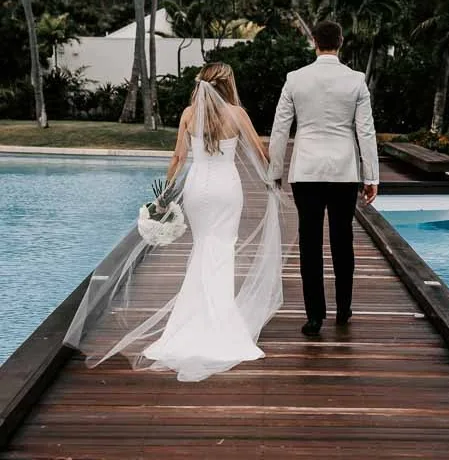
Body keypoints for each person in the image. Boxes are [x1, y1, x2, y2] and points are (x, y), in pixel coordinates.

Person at [65, 62, 291, 382]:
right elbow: (260, 151)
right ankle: (220, 322)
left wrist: (165, 196)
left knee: (200, 250)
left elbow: (178, 158)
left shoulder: (189, 114)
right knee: (222, 251)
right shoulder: (237, 115)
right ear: (228, 85)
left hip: (197, 190)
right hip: (228, 189)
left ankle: (191, 321)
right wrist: (274, 179)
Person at [268, 21, 379, 337]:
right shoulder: (356, 81)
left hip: (306, 171)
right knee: (343, 241)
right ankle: (343, 308)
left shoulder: (295, 79)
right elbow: (365, 131)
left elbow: (280, 129)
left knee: (310, 243)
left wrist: (275, 170)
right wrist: (371, 176)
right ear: (341, 42)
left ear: (313, 41)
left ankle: (314, 316)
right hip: (344, 171)